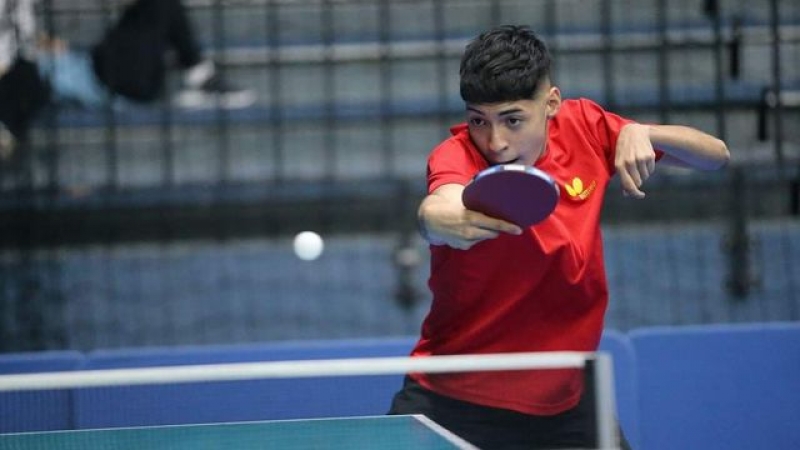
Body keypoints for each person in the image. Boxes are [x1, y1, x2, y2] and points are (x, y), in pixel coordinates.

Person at [387, 25, 729, 449]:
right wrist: (436, 220)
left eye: (513, 120)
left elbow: (716, 156)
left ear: (551, 103)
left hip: (565, 401)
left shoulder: (586, 126)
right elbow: (440, 203)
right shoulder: (456, 155)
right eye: (479, 120)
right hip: (454, 397)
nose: (495, 142)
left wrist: (644, 133)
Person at [0, 0, 255, 159]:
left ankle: (200, 74)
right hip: (105, 78)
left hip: (91, 65)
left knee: (156, 8)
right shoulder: (21, 77)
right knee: (160, 6)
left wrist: (47, 45)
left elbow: (28, 40)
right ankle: (200, 75)